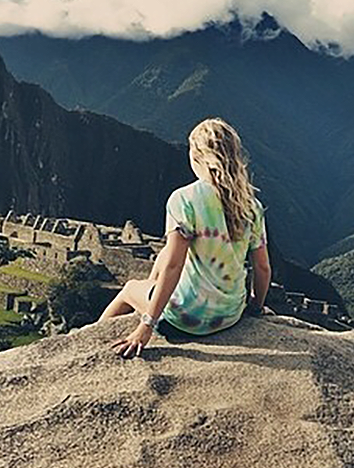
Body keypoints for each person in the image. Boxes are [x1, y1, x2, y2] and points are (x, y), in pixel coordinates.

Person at [101, 117, 272, 358]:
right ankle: (149, 303)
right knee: (162, 256)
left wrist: (147, 325)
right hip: (230, 314)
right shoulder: (250, 205)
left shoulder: (184, 200)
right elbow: (262, 268)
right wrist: (256, 307)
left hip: (187, 319)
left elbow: (174, 265)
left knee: (129, 288)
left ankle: (90, 338)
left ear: (197, 156)